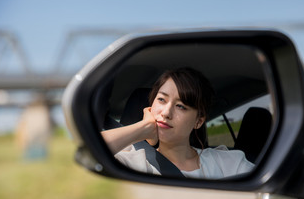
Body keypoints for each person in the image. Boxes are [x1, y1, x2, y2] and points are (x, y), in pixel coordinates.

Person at [101, 67, 254, 179]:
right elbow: (89, 150)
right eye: (161, 99)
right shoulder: (134, 162)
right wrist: (144, 128)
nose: (166, 112)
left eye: (181, 106)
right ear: (150, 106)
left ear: (198, 122)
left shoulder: (228, 163)